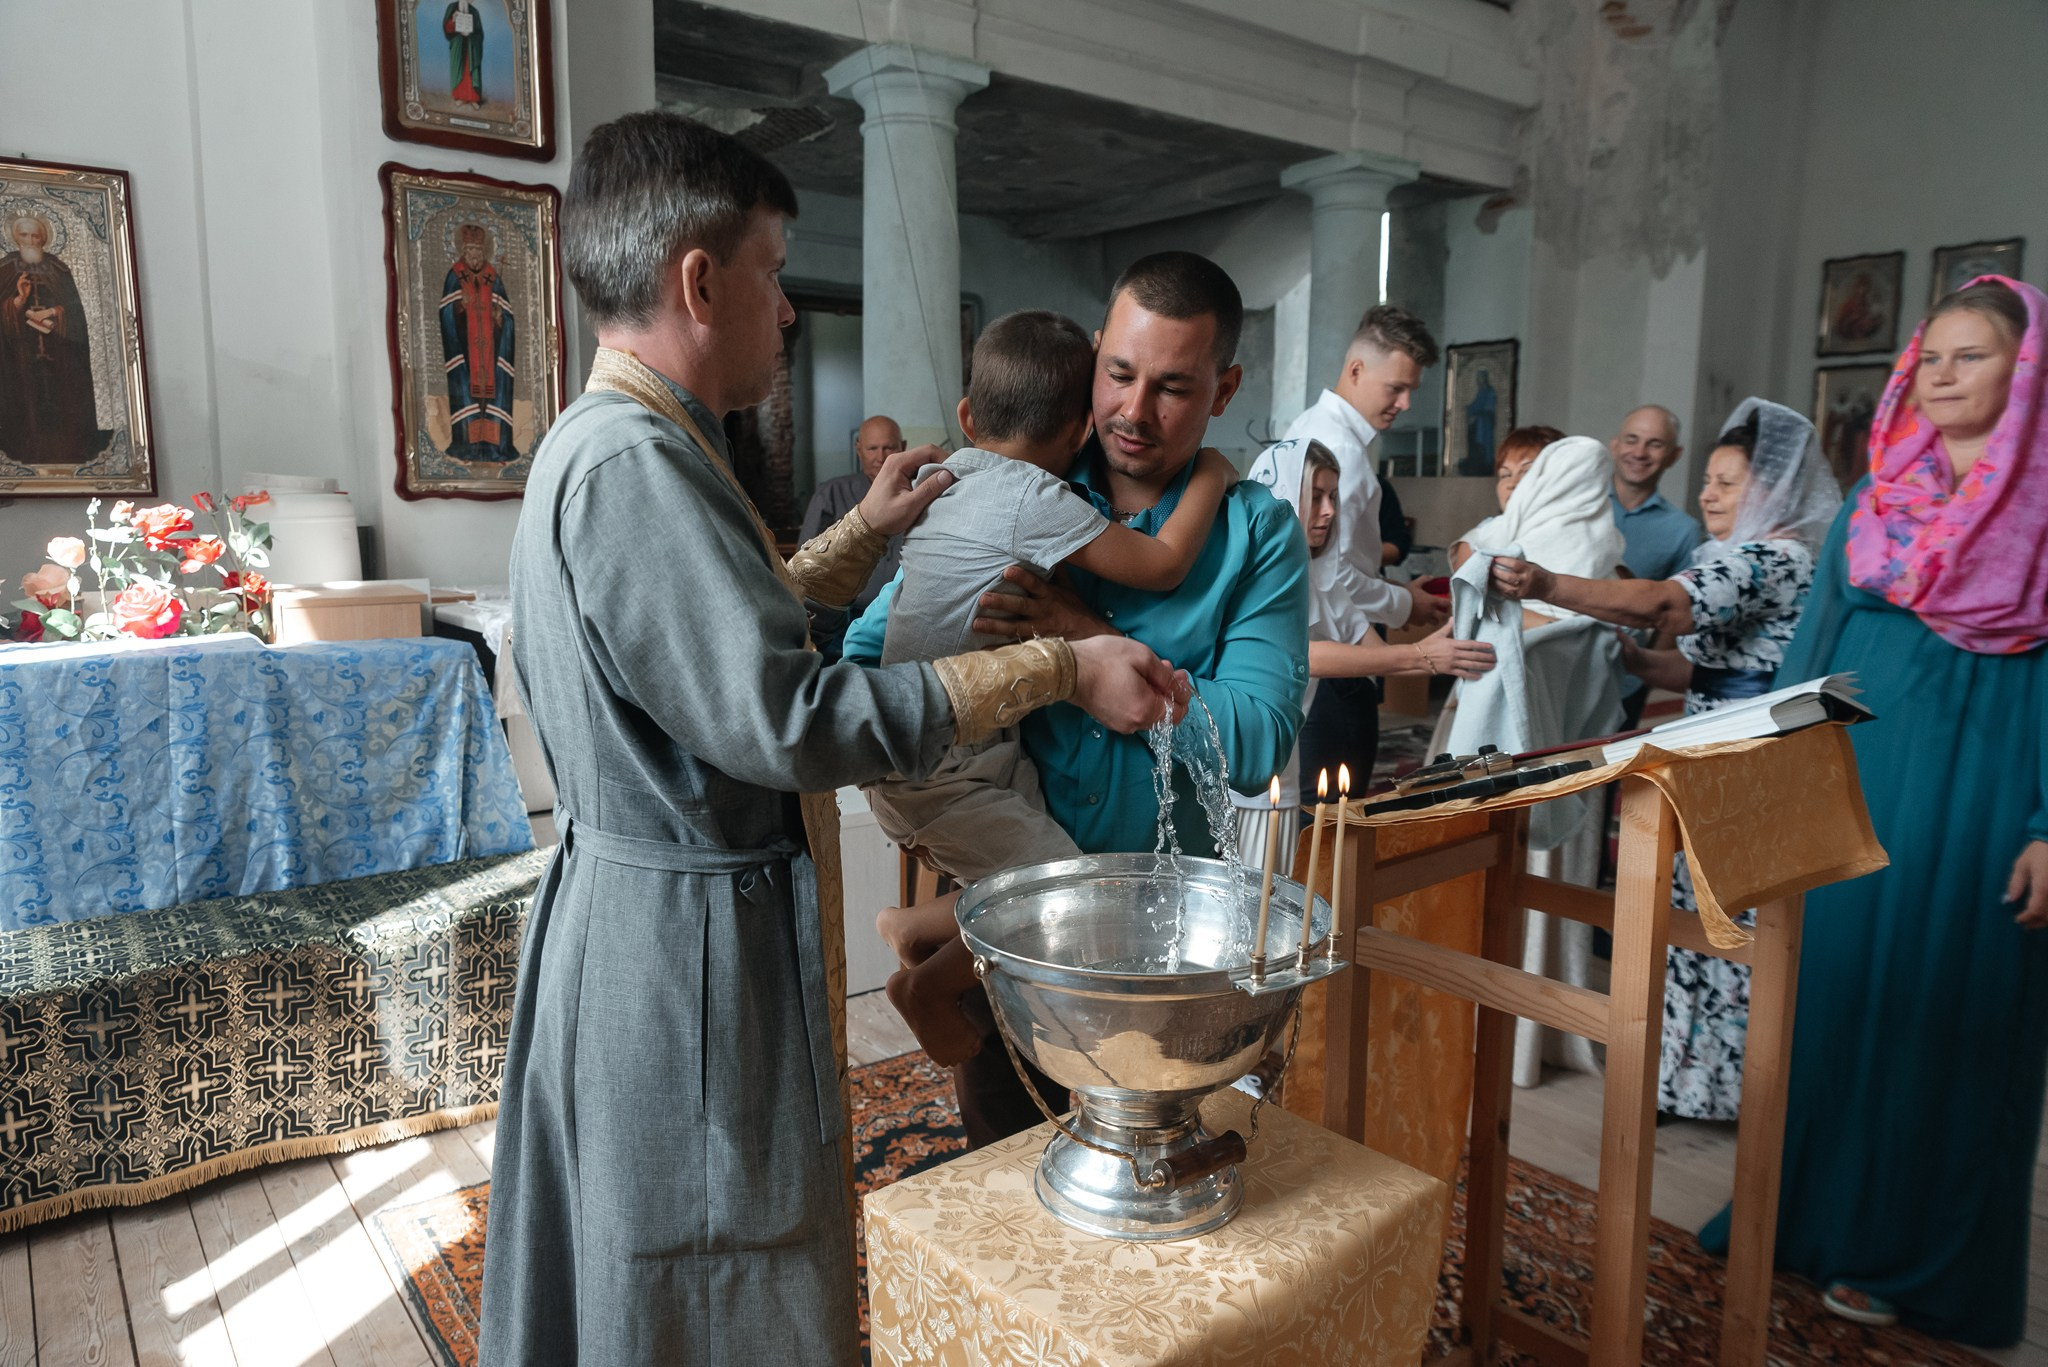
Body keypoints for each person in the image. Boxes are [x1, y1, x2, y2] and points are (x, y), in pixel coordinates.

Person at [479, 112, 1181, 1366]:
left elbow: (719, 640)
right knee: (704, 1255)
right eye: (773, 271)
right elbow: (786, 718)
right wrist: (1055, 664)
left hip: (661, 918)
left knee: (679, 1244)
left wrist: (862, 534)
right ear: (700, 282)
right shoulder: (634, 464)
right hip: (680, 942)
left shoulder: (630, 441)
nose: (788, 309)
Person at [847, 250, 1310, 1145]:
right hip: (1004, 936)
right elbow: (874, 655)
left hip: (1156, 946)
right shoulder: (1022, 483)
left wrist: (1078, 635)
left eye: (1173, 387)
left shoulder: (1256, 534)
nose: (1134, 411)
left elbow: (1256, 740)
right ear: (1094, 357)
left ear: (1224, 388)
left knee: (1152, 1175)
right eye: (1120, 374)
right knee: (1003, 1166)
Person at [1716, 278, 2048, 1344]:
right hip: (1855, 776)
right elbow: (1812, 649)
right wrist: (1771, 778)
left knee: (1951, 1020)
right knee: (1837, 1000)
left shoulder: (2044, 505)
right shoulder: (1877, 494)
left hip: (1987, 791)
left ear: (2025, 372)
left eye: (1971, 356)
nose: (1942, 375)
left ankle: (1914, 1259)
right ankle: (1798, 1215)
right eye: (1930, 356)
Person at [865, 309, 1238, 1063]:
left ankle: (915, 925)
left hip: (925, 743)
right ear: (1080, 433)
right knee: (1060, 894)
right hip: (944, 765)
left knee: (1031, 878)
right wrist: (1212, 472)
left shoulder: (950, 478)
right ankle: (924, 989)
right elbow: (1163, 563)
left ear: (968, 417)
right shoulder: (1034, 498)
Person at [1490, 399, 1840, 1121]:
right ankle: (1688, 1080)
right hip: (1716, 749)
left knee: (1728, 919)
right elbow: (1717, 668)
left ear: (1773, 492)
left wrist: (1550, 585)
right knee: (1694, 913)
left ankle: (1734, 1089)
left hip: (1747, 764)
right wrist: (1644, 665)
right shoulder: (1752, 553)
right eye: (1707, 479)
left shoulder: (1772, 556)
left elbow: (1663, 606)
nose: (1708, 495)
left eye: (1727, 483)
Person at [1235, 439, 1494, 860]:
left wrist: (1456, 651)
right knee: (1250, 882)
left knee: (1279, 879)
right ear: (1282, 497)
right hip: (1243, 760)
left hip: (1283, 761)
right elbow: (1299, 658)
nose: (1329, 511)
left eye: (1333, 497)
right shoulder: (1256, 572)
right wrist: (1419, 655)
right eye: (1315, 496)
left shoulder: (1320, 576)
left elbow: (1374, 651)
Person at [1249, 304, 1450, 811]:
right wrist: (1405, 608)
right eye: (1396, 388)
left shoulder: (1310, 425)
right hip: (1325, 660)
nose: (1405, 403)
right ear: (1357, 370)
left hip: (1325, 642)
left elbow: (1336, 569)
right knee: (1333, 818)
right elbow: (1333, 572)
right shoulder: (1341, 450)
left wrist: (1398, 598)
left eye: (1411, 391)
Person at [802, 414, 908, 657]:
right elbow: (805, 562)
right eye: (872, 448)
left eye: (888, 448)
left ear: (902, 447)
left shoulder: (920, 491)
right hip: (844, 621)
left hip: (903, 616)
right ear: (858, 449)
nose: (880, 457)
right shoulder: (831, 493)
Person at [0, 213, 100, 467]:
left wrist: (53, 312)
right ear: (15, 238)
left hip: (59, 354)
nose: (30, 241)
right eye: (24, 235)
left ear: (44, 239)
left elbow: (76, 313)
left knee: (63, 403)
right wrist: (18, 301)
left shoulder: (58, 269)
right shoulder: (5, 270)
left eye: (36, 236)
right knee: (24, 403)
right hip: (19, 356)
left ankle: (68, 453)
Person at [440, 224, 520, 463]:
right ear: (463, 251)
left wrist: (500, 318)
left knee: (492, 398)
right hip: (466, 353)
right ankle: (467, 447)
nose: (474, 255)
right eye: (470, 250)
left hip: (491, 355)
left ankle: (496, 448)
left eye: (478, 250)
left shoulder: (492, 277)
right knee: (468, 396)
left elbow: (507, 316)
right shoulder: (455, 275)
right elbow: (445, 312)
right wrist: (459, 307)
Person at [1447, 424, 1567, 571]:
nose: (1512, 483)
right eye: (1505, 475)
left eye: (1527, 472)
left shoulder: (1578, 532)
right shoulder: (1478, 541)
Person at [1610, 404, 1705, 580]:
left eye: (1655, 444)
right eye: (1631, 440)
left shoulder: (1684, 531)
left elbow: (1682, 596)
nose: (1639, 453)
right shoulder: (1573, 502)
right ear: (1615, 446)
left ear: (1674, 455)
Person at [444, 0, 486, 106]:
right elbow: (446, 29)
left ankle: (473, 98)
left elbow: (480, 33)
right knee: (459, 70)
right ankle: (461, 97)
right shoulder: (452, 8)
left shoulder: (474, 12)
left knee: (470, 72)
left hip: (471, 47)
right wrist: (453, 21)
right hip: (458, 45)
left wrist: (471, 35)